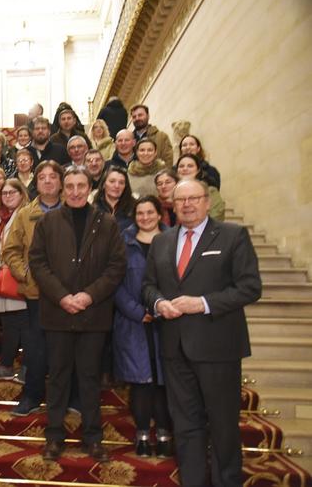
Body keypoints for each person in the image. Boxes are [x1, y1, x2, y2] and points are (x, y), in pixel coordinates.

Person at [142, 180, 262, 487]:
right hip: (175, 349)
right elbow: (148, 286)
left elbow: (250, 287)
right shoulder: (162, 241)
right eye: (180, 200)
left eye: (194, 198)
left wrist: (204, 303)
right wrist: (158, 303)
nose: (187, 204)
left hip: (218, 348)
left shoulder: (233, 236)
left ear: (207, 202)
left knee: (223, 427)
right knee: (185, 426)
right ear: (173, 204)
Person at [29, 166, 126, 463]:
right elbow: (38, 262)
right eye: (69, 185)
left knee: (89, 378)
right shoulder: (47, 222)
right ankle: (54, 437)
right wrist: (62, 296)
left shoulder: (107, 223)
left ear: (89, 187)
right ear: (61, 188)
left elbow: (116, 267)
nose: (74, 191)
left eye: (80, 185)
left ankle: (93, 438)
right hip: (57, 314)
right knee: (57, 377)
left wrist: (88, 295)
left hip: (93, 314)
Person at [2, 161, 65, 416]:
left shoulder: (75, 209)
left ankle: (66, 396)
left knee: (64, 348)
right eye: (42, 178)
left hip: (67, 294)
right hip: (36, 292)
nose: (48, 181)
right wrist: (24, 273)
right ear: (36, 183)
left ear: (60, 181)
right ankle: (32, 395)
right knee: (36, 348)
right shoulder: (26, 213)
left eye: (53, 177)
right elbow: (10, 250)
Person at [112, 196, 172, 457]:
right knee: (142, 382)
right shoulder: (124, 242)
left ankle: (164, 432)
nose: (145, 217)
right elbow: (115, 284)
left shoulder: (174, 239)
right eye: (140, 213)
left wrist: (163, 309)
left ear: (159, 214)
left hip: (168, 322)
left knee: (163, 381)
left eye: (150, 212)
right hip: (133, 323)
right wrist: (138, 312)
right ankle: (143, 435)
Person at [0, 178, 30, 381]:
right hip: (0, 276)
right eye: (4, 193)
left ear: (22, 194)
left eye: (12, 192)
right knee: (9, 323)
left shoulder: (27, 215)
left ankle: (26, 367)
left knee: (24, 323)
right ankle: (7, 365)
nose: (8, 196)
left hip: (21, 276)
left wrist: (21, 270)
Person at [176, 154, 225, 221]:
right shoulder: (170, 191)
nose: (185, 169)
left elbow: (216, 216)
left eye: (190, 166)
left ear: (198, 170)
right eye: (181, 166)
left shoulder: (210, 191)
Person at [93, 166, 136, 231]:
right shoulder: (93, 208)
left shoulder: (134, 208)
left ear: (125, 186)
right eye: (112, 181)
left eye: (121, 183)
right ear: (104, 184)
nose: (117, 186)